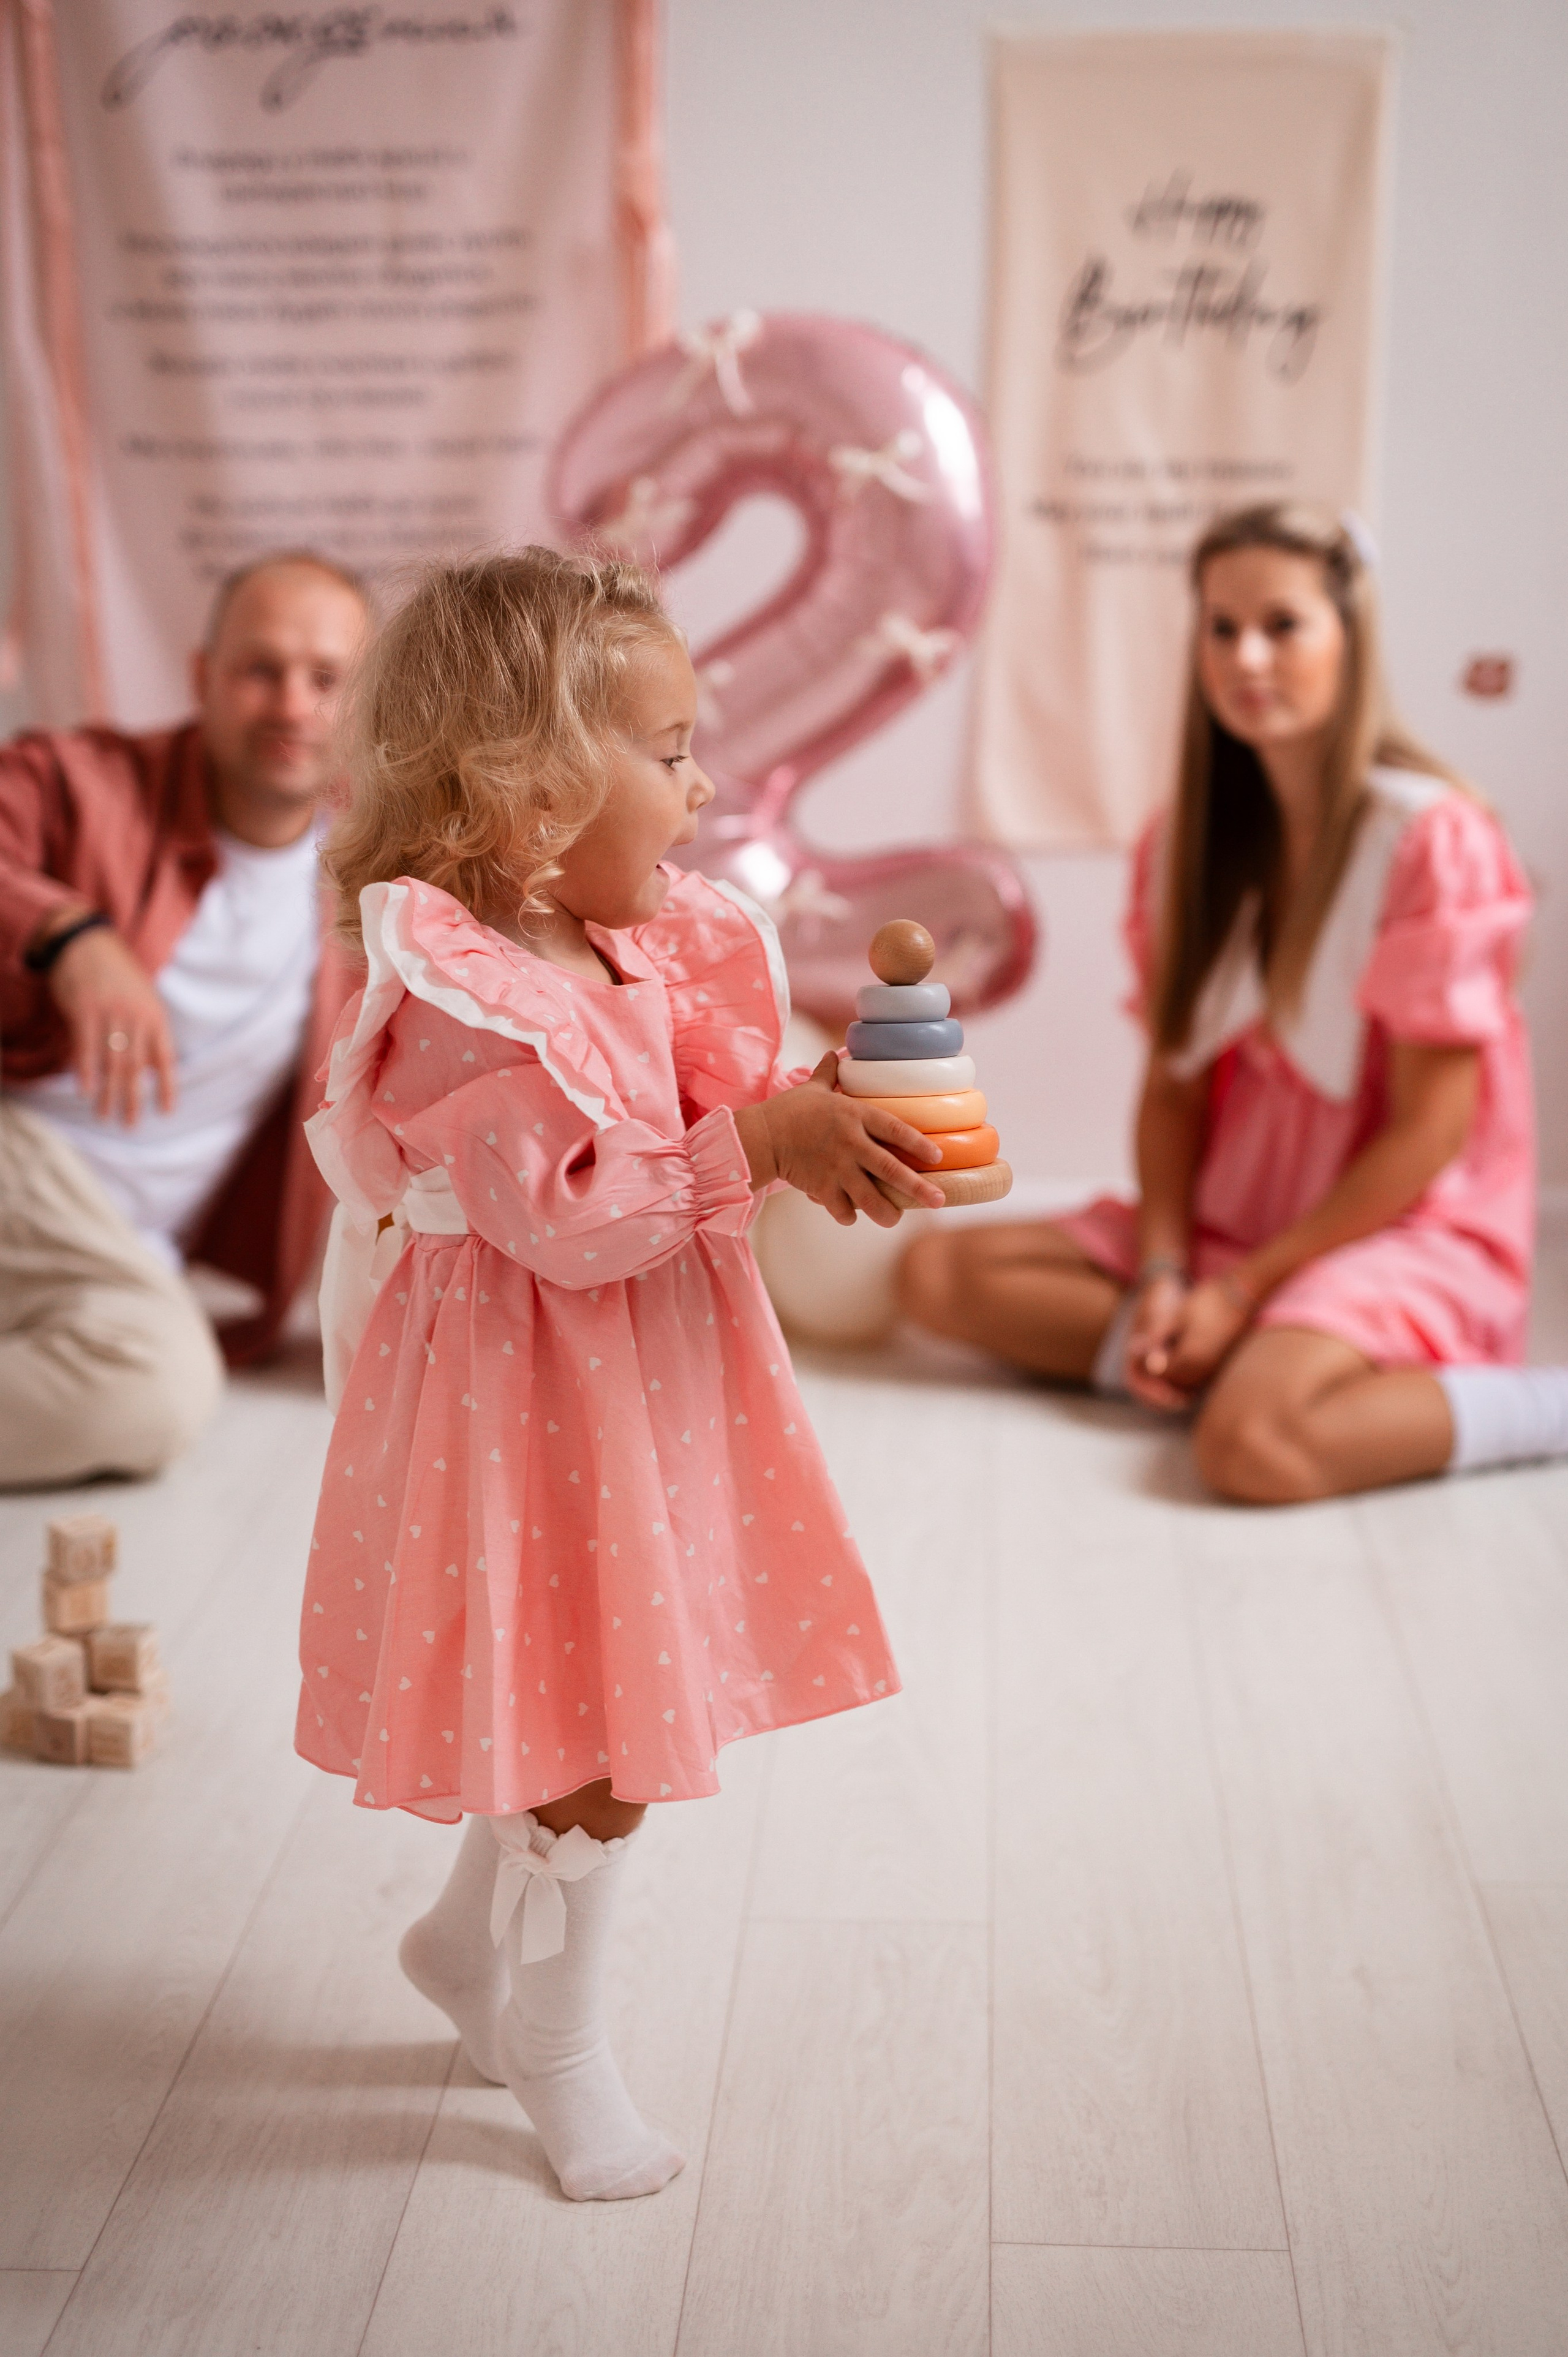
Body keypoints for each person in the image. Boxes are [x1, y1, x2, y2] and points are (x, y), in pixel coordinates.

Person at [296, 548, 943, 2200]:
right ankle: (558, 2043)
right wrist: (759, 1143)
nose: (700, 782)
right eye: (665, 755)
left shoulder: (617, 945)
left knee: (580, 1693)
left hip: (614, 1391)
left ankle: (463, 1943)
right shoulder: (467, 996)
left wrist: (816, 1112)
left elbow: (703, 1097)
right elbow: (573, 1215)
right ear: (524, 801)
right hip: (527, 1400)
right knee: (607, 1735)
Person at [901, 500, 1568, 1503]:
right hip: (1240, 1224)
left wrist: (1243, 1289)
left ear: (1349, 633)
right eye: (1222, 627)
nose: (1246, 657)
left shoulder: (1433, 841)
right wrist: (1171, 1272)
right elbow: (1172, 1095)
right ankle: (1221, 1344)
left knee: (1253, 1450)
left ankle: (1525, 1403)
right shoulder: (1187, 846)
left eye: (1283, 625)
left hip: (1396, 1230)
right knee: (936, 1278)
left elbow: (1427, 1139)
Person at [0, 551, 369, 1488]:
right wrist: (67, 931)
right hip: (25, 1162)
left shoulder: (374, 886)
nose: (292, 705)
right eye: (260, 670)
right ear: (204, 677)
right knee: (160, 1380)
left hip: (109, 1261)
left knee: (144, 1376)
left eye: (326, 679)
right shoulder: (82, 782)